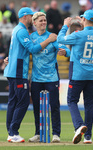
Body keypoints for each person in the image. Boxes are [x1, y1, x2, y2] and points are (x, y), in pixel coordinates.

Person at [3, 7, 57, 143]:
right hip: (18, 71)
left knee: (13, 102)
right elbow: (32, 49)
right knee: (24, 101)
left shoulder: (16, 30)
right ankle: (13, 132)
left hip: (13, 70)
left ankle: (10, 132)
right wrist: (49, 40)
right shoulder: (22, 31)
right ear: (25, 16)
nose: (32, 18)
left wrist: (9, 58)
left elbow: (15, 49)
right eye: (31, 16)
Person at [57, 9, 93, 144]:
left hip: (78, 74)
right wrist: (84, 22)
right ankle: (88, 137)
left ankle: (78, 126)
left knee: (71, 101)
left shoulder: (78, 35)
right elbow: (79, 50)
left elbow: (60, 39)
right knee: (89, 105)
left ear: (83, 20)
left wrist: (66, 25)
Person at [28, 12, 70, 143]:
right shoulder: (31, 37)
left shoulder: (53, 36)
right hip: (36, 78)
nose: (43, 23)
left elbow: (66, 50)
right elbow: (29, 50)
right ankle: (38, 133)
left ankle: (56, 134)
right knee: (36, 107)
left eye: (45, 20)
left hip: (51, 78)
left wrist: (64, 52)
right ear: (34, 23)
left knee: (54, 106)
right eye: (40, 21)